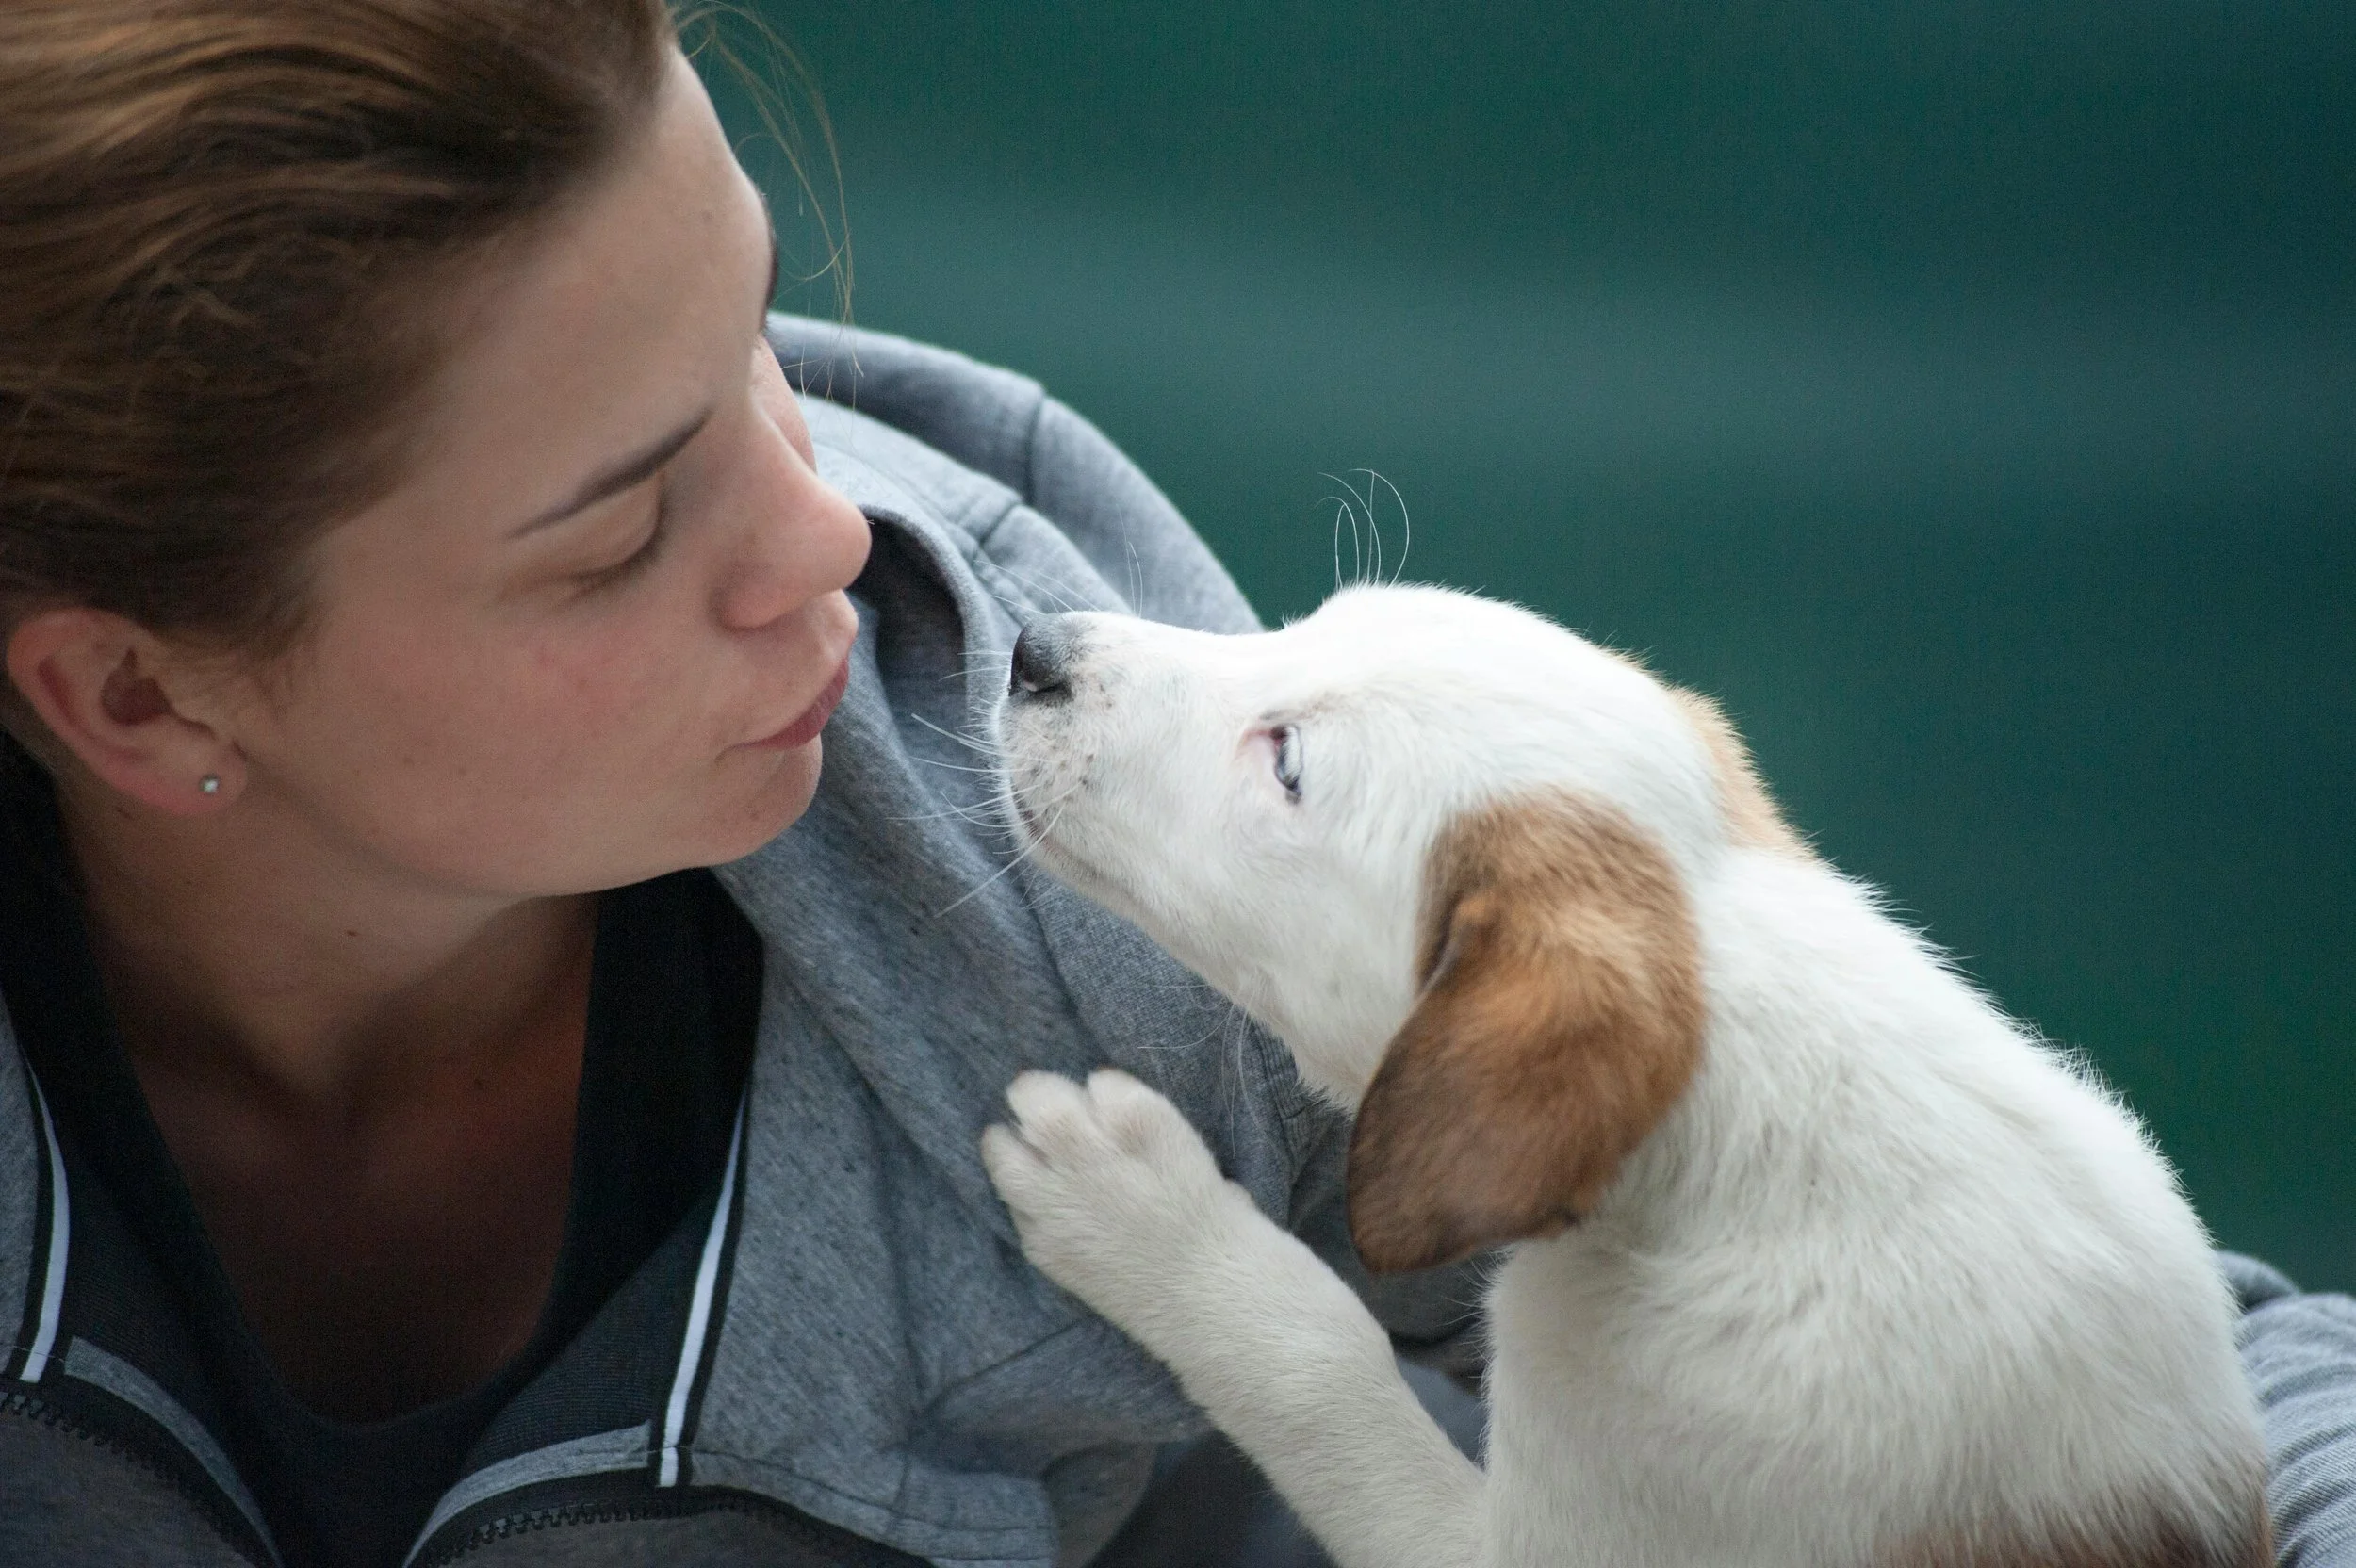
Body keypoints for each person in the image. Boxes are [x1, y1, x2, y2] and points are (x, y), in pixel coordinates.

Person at [0, 3, 2346, 1566]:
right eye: (624, 526)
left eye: (755, 342)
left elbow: (2138, 1376)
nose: (834, 529)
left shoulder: (1121, 934)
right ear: (131, 699)